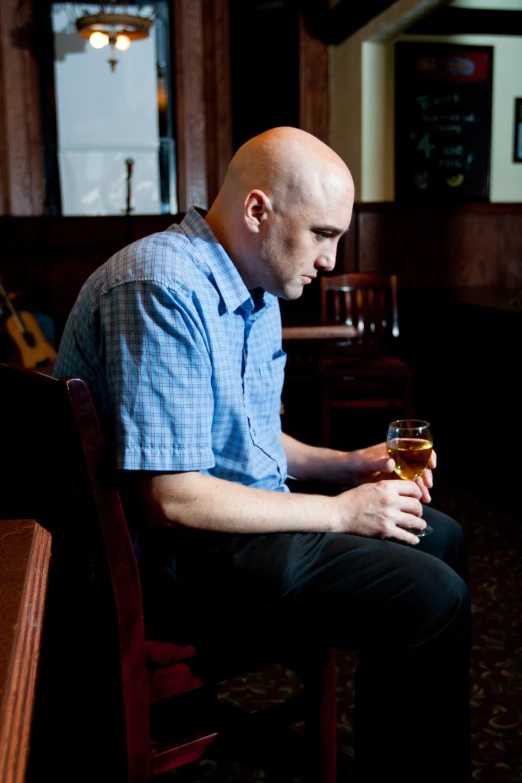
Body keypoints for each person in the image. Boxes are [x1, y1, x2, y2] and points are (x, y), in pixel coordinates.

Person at [53, 126, 471, 782]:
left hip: (232, 534)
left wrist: (347, 465)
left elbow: (248, 440)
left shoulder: (259, 287)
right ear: (257, 211)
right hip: (165, 567)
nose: (331, 260)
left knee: (440, 535)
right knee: (431, 593)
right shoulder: (160, 284)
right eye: (323, 235)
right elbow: (171, 498)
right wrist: (342, 513)